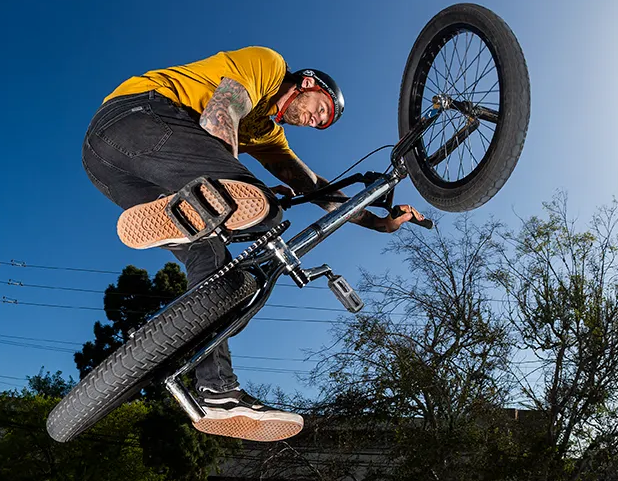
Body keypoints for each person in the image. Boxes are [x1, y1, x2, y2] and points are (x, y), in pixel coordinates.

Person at [81, 46, 424, 442]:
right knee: (266, 211)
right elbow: (221, 112)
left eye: (321, 125)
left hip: (105, 168)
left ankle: (218, 393)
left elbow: (310, 185)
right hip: (135, 118)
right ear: (307, 83)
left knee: (214, 268)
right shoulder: (269, 66)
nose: (315, 121)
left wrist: (380, 223)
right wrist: (234, 182)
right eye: (320, 109)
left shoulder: (267, 134)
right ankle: (212, 201)